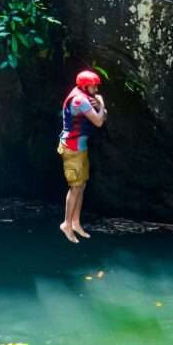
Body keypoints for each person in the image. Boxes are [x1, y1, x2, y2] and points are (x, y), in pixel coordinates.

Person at [57, 70, 107, 244]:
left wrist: (101, 107)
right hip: (72, 149)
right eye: (93, 85)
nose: (96, 88)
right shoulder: (80, 100)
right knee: (75, 187)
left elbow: (102, 116)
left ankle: (76, 223)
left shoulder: (83, 97)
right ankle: (66, 224)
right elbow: (100, 121)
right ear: (85, 86)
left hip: (80, 147)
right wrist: (101, 104)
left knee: (82, 185)